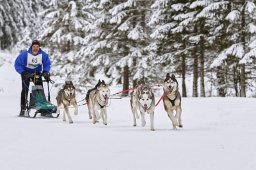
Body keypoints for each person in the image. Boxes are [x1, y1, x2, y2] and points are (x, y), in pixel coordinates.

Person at [14, 40, 51, 116]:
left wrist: (45, 71)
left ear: (39, 47)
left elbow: (47, 63)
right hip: (26, 73)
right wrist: (22, 72)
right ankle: (23, 109)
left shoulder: (43, 55)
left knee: (39, 89)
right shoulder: (25, 54)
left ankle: (42, 108)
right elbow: (17, 64)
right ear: (31, 47)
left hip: (36, 73)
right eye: (34, 46)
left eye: (37, 47)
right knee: (25, 90)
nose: (35, 48)